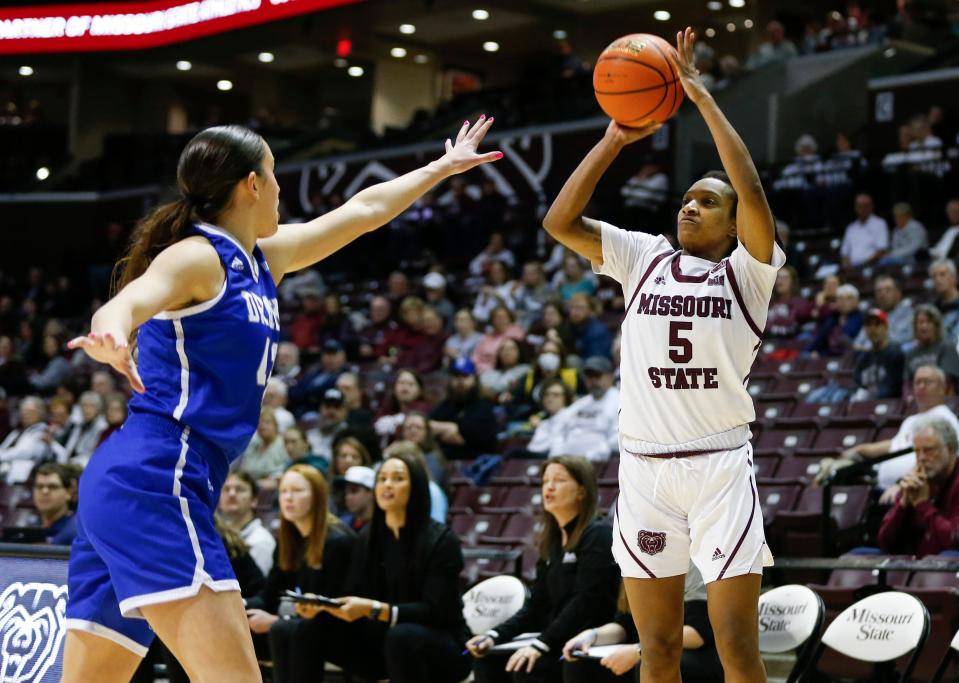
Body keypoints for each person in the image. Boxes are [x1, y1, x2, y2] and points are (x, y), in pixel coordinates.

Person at [61, 119, 501, 682]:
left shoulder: (264, 257)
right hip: (158, 477)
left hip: (134, 483)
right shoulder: (198, 256)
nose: (279, 189)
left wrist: (441, 167)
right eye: (274, 176)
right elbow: (133, 298)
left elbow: (363, 212)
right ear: (251, 184)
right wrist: (111, 334)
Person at [541, 28, 778, 682]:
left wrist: (700, 99)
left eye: (706, 201)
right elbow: (559, 222)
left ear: (733, 226)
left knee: (734, 644)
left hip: (718, 466)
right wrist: (613, 140)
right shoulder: (642, 257)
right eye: (685, 199)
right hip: (644, 468)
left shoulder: (748, 272)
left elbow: (753, 191)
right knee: (659, 648)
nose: (689, 206)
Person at [277, 451, 473, 682]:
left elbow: (437, 611)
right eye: (382, 479)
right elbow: (354, 594)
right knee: (308, 628)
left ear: (416, 487)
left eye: (398, 478)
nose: (387, 485)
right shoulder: (368, 537)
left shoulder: (441, 540)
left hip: (446, 647)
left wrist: (376, 609)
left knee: (402, 636)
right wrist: (325, 607)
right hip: (383, 646)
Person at [468, 456, 619, 683]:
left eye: (559, 480)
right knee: (488, 658)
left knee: (529, 667)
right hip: (557, 636)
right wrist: (494, 635)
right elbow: (537, 605)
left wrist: (543, 643)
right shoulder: (552, 541)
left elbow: (586, 602)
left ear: (582, 491)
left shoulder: (597, 535)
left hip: (588, 639)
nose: (549, 487)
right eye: (546, 480)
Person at [245, 465, 356, 678]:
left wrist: (279, 621)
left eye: (297, 491)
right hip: (307, 626)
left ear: (317, 496)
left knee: (285, 630)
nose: (288, 497)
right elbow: (271, 595)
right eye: (284, 491)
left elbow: (336, 606)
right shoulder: (289, 540)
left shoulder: (337, 540)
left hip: (344, 629)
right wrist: (239, 606)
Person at [561, 566, 722, 683]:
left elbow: (699, 632)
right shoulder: (632, 559)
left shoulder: (690, 563)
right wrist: (593, 635)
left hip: (701, 654)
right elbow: (624, 623)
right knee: (579, 663)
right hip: (652, 645)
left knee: (651, 663)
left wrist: (640, 650)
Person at [817, 366, 959, 496]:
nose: (921, 387)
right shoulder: (910, 420)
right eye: (917, 382)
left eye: (927, 382)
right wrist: (857, 450)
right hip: (882, 486)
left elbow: (941, 461)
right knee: (833, 473)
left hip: (912, 490)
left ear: (942, 387)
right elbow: (895, 445)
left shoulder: (945, 420)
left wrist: (901, 485)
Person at [877, 417, 959, 556]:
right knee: (858, 554)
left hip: (948, 571)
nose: (921, 458)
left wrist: (923, 505)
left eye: (928, 450)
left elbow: (955, 541)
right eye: (917, 451)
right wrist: (902, 505)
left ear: (950, 449)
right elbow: (885, 543)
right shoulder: (917, 480)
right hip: (917, 565)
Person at [547, 357, 620, 463]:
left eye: (597, 376)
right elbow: (559, 429)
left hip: (600, 464)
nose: (593, 381)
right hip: (567, 463)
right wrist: (557, 455)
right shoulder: (581, 403)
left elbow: (617, 440)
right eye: (589, 376)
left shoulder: (619, 402)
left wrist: (590, 457)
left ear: (610, 376)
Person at [430, 357, 498, 460]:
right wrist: (449, 427)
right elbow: (427, 424)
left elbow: (474, 436)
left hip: (476, 464)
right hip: (446, 462)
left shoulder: (484, 406)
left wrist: (444, 431)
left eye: (465, 376)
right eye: (456, 376)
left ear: (474, 379)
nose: (460, 381)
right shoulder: (447, 404)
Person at [218, 471, 277, 577]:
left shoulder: (261, 541)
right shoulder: (215, 537)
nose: (232, 494)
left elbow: (257, 589)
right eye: (226, 489)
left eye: (239, 489)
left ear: (254, 500)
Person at [850, 309, 904, 401]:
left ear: (886, 327)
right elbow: (856, 385)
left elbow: (894, 388)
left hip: (887, 406)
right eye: (868, 325)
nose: (872, 329)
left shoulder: (895, 354)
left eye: (877, 324)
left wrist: (870, 397)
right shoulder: (864, 358)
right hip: (865, 406)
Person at [902, 305, 959, 388]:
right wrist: (909, 397)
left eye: (928, 322)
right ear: (915, 326)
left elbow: (948, 382)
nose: (924, 326)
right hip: (917, 398)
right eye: (920, 322)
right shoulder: (910, 353)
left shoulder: (947, 348)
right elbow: (906, 384)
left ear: (936, 326)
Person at [0, 395, 51, 484]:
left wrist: (2, 455)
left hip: (24, 477)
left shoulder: (42, 432)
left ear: (40, 413)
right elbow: (2, 448)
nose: (25, 415)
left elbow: (25, 453)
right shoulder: (16, 432)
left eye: (30, 412)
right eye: (23, 412)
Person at [236, 406, 290, 488]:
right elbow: (243, 471)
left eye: (267, 422)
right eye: (259, 423)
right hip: (251, 487)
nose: (262, 426)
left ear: (276, 425)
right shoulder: (252, 446)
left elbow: (284, 472)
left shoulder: (284, 444)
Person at [32, 462, 78, 545]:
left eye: (53, 487)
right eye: (39, 486)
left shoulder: (76, 532)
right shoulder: (31, 527)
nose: (44, 491)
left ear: (69, 492)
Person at [400, 411, 449, 488]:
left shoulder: (434, 458)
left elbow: (431, 487)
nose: (413, 431)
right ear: (402, 432)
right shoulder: (397, 454)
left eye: (418, 427)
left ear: (427, 432)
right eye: (409, 428)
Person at [840, 193, 889, 269]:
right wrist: (847, 265)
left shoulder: (880, 223)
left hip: (873, 266)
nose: (863, 209)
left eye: (866, 206)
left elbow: (882, 250)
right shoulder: (851, 228)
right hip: (852, 269)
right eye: (860, 206)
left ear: (872, 207)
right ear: (855, 208)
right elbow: (844, 253)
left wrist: (863, 264)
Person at [337, 465, 375, 531]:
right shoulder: (342, 525)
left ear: (371, 493)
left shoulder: (384, 527)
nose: (348, 497)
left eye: (354, 491)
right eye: (346, 492)